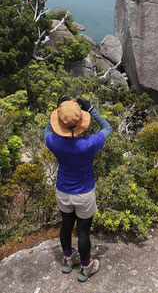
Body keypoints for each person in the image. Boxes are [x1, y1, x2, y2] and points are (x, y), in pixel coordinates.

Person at [44, 95, 112, 282]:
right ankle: (86, 266)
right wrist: (90, 109)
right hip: (84, 194)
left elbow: (47, 129)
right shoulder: (89, 144)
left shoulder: (54, 143)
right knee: (83, 231)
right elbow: (107, 127)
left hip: (63, 192)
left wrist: (61, 110)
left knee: (66, 226)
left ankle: (68, 258)